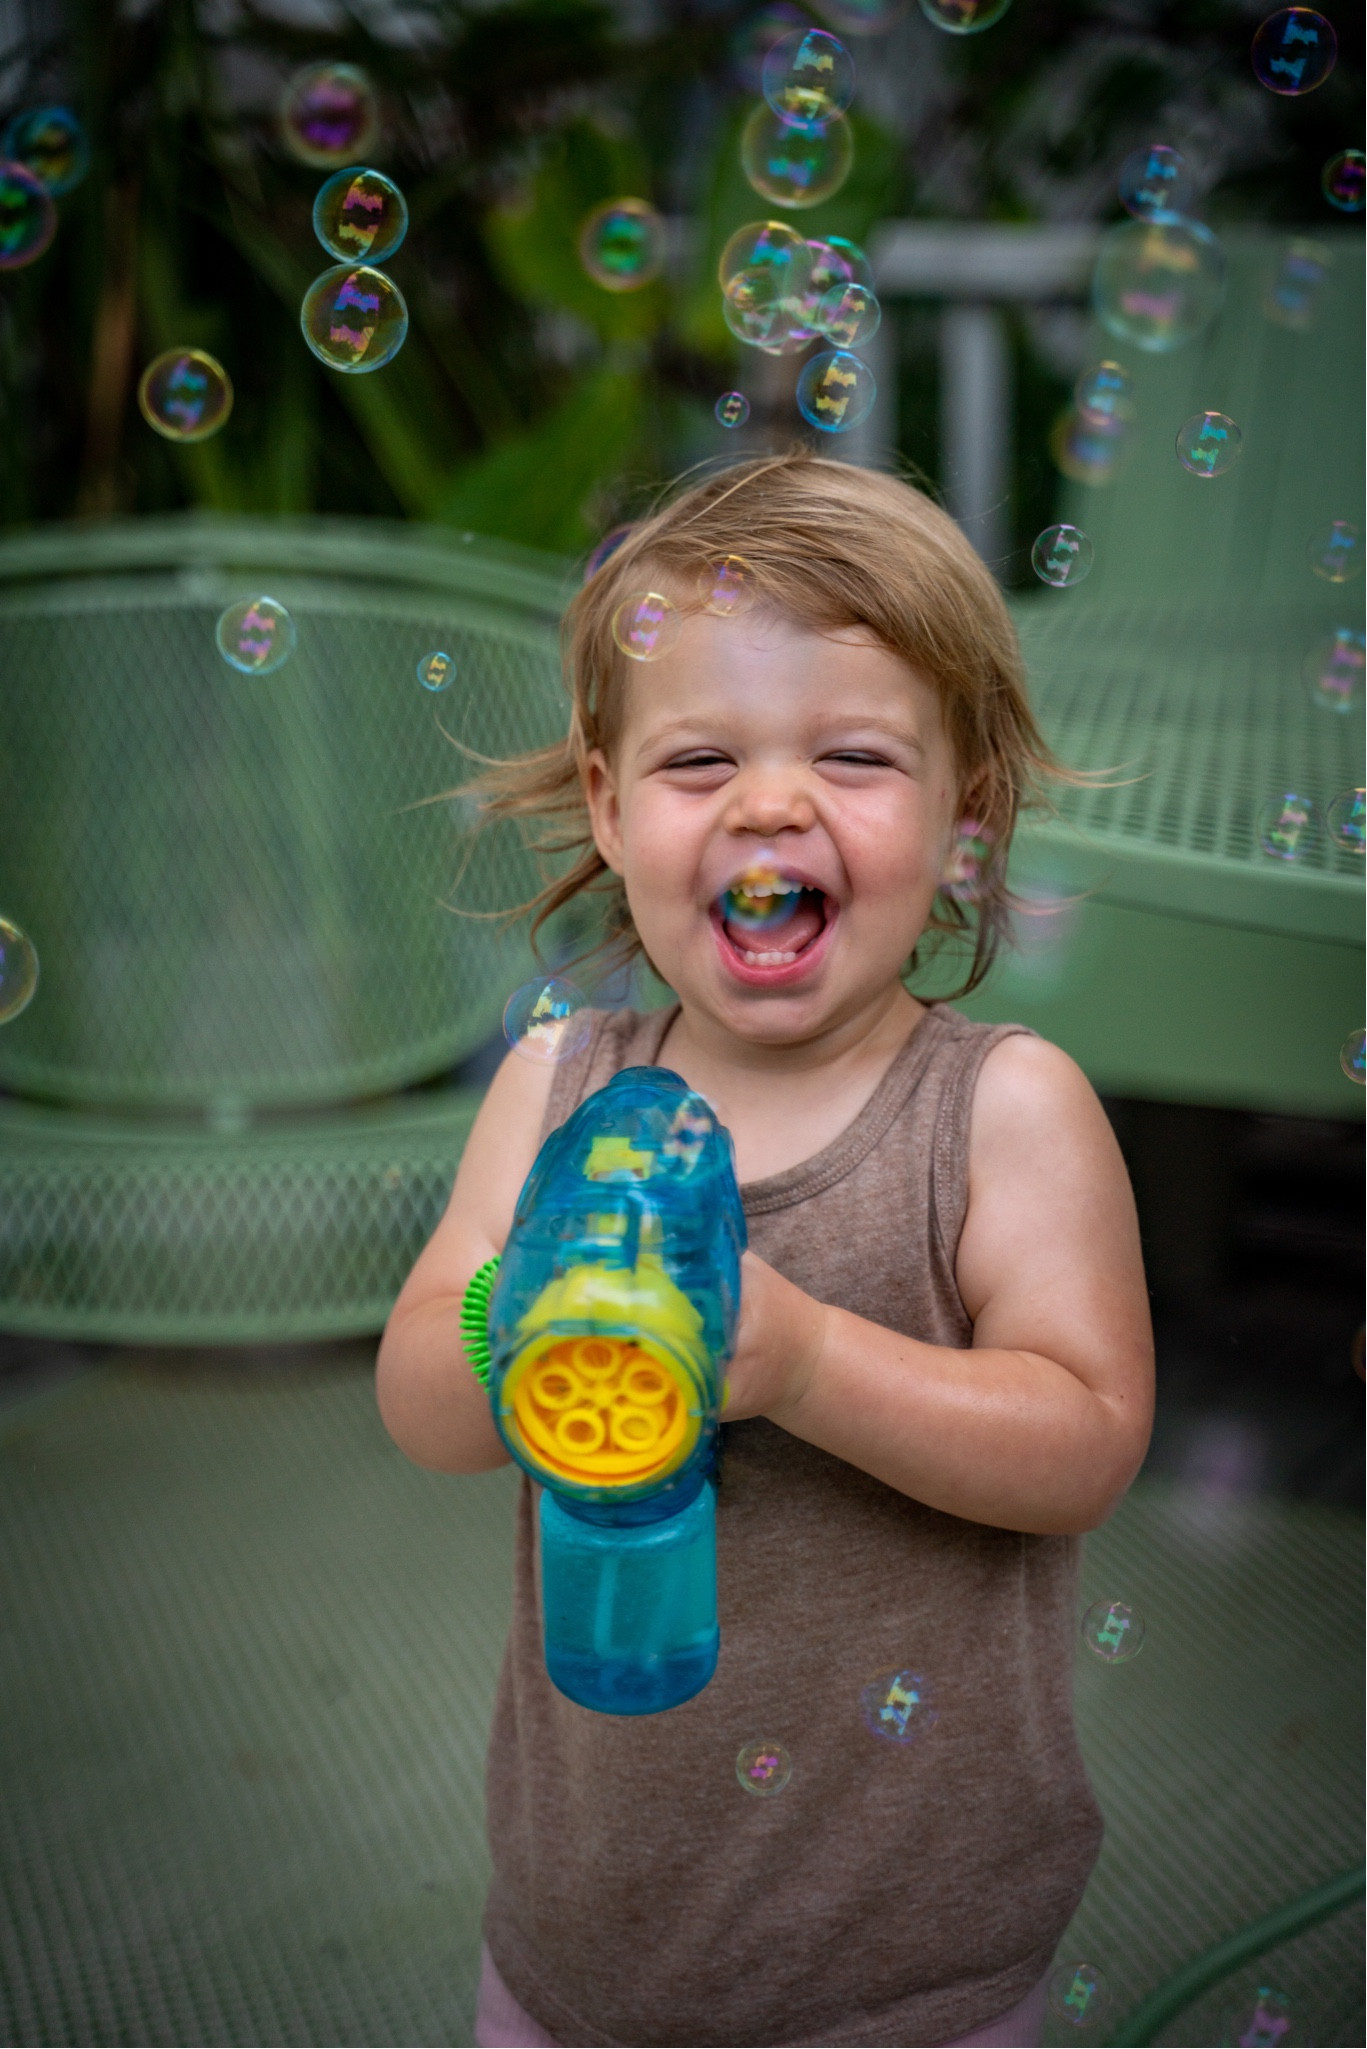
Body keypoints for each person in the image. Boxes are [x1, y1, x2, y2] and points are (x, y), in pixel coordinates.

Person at [376, 453, 1154, 2049]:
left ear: (965, 817)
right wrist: (516, 1304)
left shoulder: (1000, 1113)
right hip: (579, 1951)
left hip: (914, 1973)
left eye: (856, 755)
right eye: (702, 756)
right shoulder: (555, 1088)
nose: (771, 803)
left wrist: (799, 1358)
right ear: (606, 800)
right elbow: (423, 1409)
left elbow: (1082, 1442)